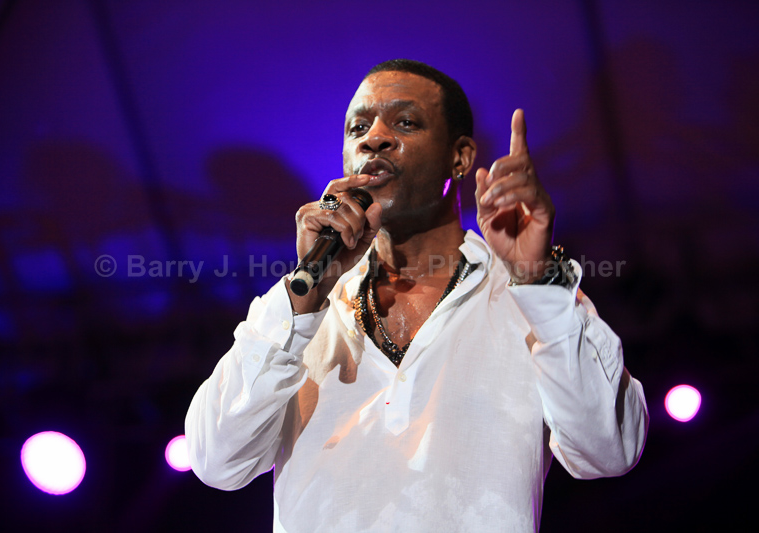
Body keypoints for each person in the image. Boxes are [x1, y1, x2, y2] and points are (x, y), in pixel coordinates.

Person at [185, 59, 648, 532]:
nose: (374, 138)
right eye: (358, 128)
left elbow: (609, 449)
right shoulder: (299, 311)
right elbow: (218, 461)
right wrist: (304, 298)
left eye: (405, 122)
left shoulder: (528, 294)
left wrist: (538, 278)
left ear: (460, 158)